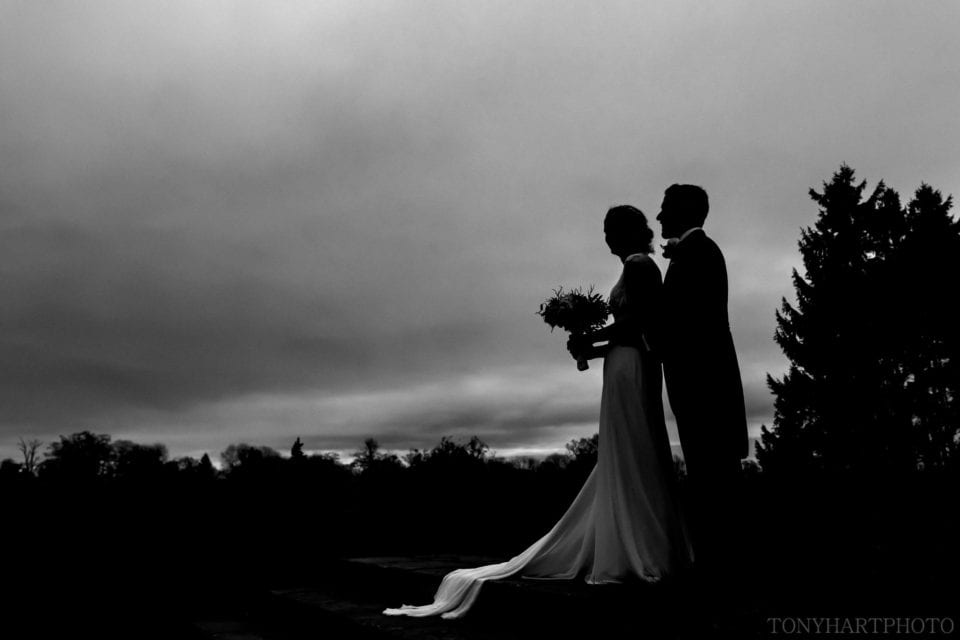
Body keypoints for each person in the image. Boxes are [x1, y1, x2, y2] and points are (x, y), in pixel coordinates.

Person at [382, 205, 692, 620]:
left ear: (626, 233)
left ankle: (645, 546)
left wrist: (592, 335)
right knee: (624, 450)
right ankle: (633, 536)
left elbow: (640, 325)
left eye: (608, 229)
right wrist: (593, 347)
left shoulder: (640, 267)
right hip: (621, 364)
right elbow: (628, 333)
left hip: (632, 369)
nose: (604, 237)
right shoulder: (634, 268)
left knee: (636, 447)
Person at [655, 184, 748, 579]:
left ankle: (722, 568)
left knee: (715, 476)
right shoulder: (689, 254)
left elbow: (692, 325)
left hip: (705, 385)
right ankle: (717, 563)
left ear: (682, 211)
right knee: (706, 472)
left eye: (664, 209)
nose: (659, 217)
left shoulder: (701, 253)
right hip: (697, 382)